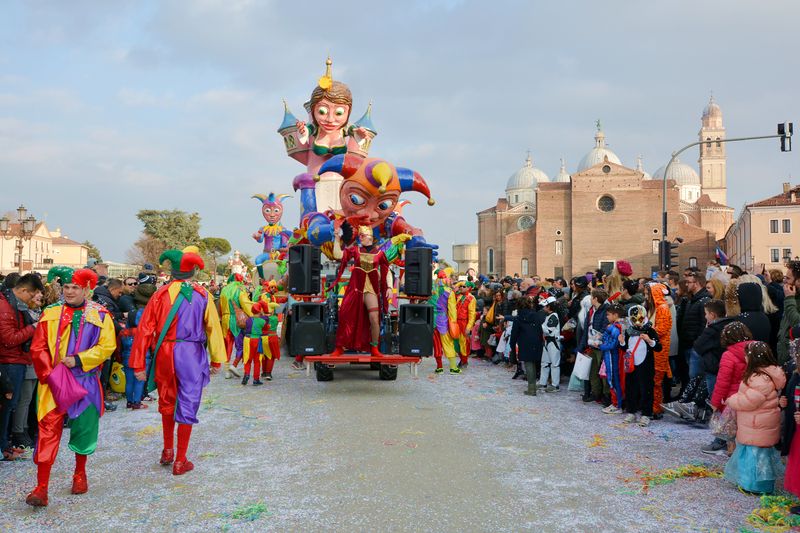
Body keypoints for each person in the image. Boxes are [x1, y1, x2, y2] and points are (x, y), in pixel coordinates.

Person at [130, 249, 225, 476]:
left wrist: (138, 364)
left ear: (172, 272)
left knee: (167, 399)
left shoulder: (159, 294)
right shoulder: (202, 294)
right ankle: (181, 460)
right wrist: (217, 359)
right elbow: (213, 327)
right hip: (191, 353)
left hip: (165, 352)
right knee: (188, 400)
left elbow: (144, 330)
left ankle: (167, 450)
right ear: (193, 272)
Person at [26, 267, 116, 506]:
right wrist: (48, 375)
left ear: (86, 289)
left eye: (75, 287)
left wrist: (79, 359)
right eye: (66, 287)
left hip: (85, 381)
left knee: (84, 430)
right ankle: (41, 488)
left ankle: (80, 474)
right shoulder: (50, 313)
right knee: (47, 430)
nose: (69, 291)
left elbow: (107, 346)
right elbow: (38, 347)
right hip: (53, 381)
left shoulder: (101, 314)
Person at [328, 227, 408, 357]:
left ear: (369, 237)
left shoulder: (379, 254)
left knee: (374, 319)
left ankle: (374, 347)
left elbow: (386, 270)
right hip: (355, 289)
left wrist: (389, 287)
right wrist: (337, 239)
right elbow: (338, 255)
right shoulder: (356, 250)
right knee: (344, 315)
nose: (360, 238)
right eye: (360, 236)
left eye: (362, 236)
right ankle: (339, 346)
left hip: (370, 290)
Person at [723, 341, 785, 494]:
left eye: (746, 355)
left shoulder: (759, 378)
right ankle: (757, 484)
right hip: (759, 425)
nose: (744, 358)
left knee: (754, 459)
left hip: (756, 426)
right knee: (760, 458)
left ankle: (754, 486)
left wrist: (731, 400)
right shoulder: (765, 374)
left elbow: (749, 401)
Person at [0, 273, 43, 460]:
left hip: (16, 360)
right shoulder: (6, 307)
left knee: (10, 406)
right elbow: (9, 340)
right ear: (24, 290)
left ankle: (4, 446)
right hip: (9, 362)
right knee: (6, 407)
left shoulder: (14, 304)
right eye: (32, 295)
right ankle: (3, 448)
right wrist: (33, 327)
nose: (33, 299)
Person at [707, 322, 753, 456]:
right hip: (751, 396)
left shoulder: (729, 355)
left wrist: (715, 403)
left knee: (730, 430)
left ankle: (730, 453)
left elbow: (722, 382)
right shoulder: (754, 351)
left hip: (732, 400)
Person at [620, 305, 661, 426]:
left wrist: (649, 340)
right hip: (631, 365)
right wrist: (622, 342)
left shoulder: (650, 331)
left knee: (646, 388)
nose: (638, 323)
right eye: (634, 320)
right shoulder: (629, 332)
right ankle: (631, 411)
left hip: (646, 365)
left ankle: (646, 413)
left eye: (640, 319)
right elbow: (626, 347)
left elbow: (659, 347)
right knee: (631, 388)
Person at [119, 280, 157, 409]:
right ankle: (137, 401)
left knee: (129, 378)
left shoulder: (132, 313)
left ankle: (129, 401)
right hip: (143, 350)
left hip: (128, 348)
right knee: (140, 377)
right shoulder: (150, 313)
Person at [218, 273, 254, 378]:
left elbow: (220, 306)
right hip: (238, 320)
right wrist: (255, 314)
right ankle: (234, 365)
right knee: (241, 345)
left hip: (226, 320)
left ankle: (227, 371)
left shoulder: (224, 290)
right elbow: (246, 305)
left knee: (227, 345)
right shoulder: (240, 290)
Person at [509, 294, 544, 396]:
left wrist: (512, 344)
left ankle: (531, 388)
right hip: (536, 341)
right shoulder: (535, 315)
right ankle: (533, 387)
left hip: (525, 342)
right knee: (533, 363)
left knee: (529, 364)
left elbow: (514, 333)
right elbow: (540, 329)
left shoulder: (518, 318)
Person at [580, 289, 610, 404]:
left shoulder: (605, 310)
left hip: (600, 346)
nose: (590, 299)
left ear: (596, 299)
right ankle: (596, 393)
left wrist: (597, 339)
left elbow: (605, 327)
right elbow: (587, 328)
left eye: (592, 297)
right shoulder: (592, 310)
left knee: (603, 372)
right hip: (591, 345)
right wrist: (584, 344)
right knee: (593, 371)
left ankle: (606, 395)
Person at [598, 303, 626, 414]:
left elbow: (613, 345)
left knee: (613, 380)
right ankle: (616, 403)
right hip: (613, 356)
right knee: (614, 380)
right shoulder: (617, 326)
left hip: (613, 357)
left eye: (608, 314)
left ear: (615, 315)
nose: (607, 317)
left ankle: (617, 405)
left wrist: (600, 346)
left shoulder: (616, 327)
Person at [778, 261, 800, 364]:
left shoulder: (790, 298)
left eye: (788, 278)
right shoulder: (792, 297)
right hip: (786, 357)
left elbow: (797, 323)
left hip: (794, 361)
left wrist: (789, 299)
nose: (784, 281)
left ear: (798, 281)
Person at [539, 296, 562, 392]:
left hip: (553, 342)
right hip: (547, 341)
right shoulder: (549, 316)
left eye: (545, 306)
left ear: (549, 307)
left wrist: (539, 325)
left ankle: (555, 385)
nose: (543, 308)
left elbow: (549, 330)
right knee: (544, 363)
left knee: (554, 364)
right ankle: (543, 383)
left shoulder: (554, 316)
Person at [453, 281, 477, 368]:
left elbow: (472, 314)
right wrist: (459, 285)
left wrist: (468, 327)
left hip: (464, 322)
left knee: (464, 343)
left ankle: (464, 360)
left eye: (464, 286)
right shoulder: (458, 296)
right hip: (456, 322)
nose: (461, 288)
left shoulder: (471, 298)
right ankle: (462, 359)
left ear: (469, 288)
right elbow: (454, 289)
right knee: (456, 343)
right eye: (461, 286)